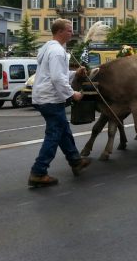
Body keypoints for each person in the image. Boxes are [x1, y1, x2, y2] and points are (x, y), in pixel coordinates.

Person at [28, 19, 90, 188]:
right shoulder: (57, 51)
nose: (71, 33)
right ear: (60, 31)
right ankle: (38, 172)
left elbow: (58, 74)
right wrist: (72, 94)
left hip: (44, 96)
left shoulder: (50, 48)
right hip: (50, 98)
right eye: (69, 30)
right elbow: (56, 78)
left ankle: (75, 160)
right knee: (54, 134)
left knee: (63, 130)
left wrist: (75, 74)